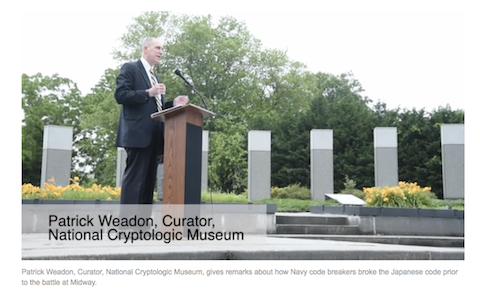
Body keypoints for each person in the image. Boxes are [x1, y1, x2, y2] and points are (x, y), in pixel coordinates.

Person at [115, 37, 188, 212]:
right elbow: (121, 95)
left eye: (162, 49)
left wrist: (173, 103)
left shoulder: (155, 77)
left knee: (148, 182)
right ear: (146, 49)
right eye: (157, 48)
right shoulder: (130, 68)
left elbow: (157, 107)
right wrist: (148, 92)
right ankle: (127, 226)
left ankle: (142, 225)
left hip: (156, 136)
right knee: (135, 180)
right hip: (138, 135)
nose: (161, 51)